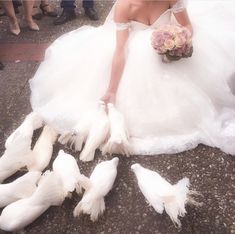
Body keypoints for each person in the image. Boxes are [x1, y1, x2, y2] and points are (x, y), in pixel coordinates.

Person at [10, 0, 235, 156]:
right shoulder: (125, 5)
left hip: (165, 51)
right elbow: (120, 50)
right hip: (133, 51)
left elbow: (186, 24)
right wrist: (111, 90)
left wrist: (182, 36)